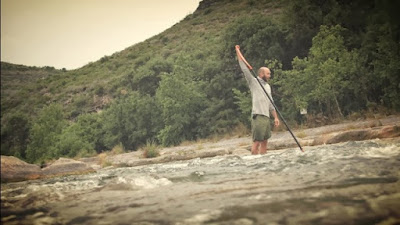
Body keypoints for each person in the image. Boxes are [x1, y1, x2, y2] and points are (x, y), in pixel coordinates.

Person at [235, 45, 280, 155]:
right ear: (261, 74)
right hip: (258, 115)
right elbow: (244, 69)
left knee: (265, 142)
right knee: (257, 142)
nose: (270, 75)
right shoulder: (254, 82)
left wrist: (276, 117)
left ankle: (263, 162)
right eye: (268, 73)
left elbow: (271, 104)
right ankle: (254, 162)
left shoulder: (268, 87)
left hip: (266, 117)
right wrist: (238, 51)